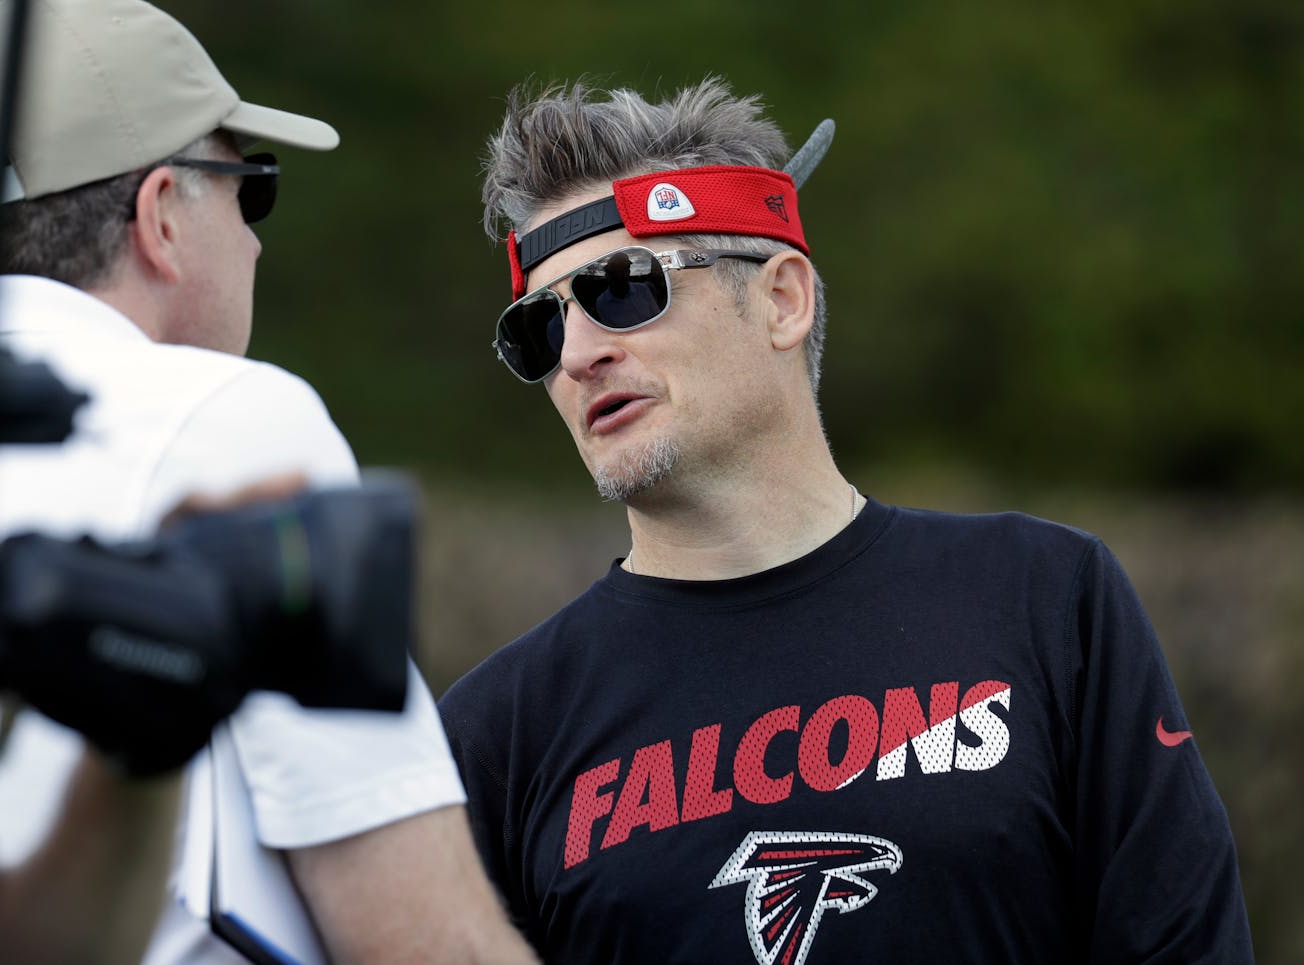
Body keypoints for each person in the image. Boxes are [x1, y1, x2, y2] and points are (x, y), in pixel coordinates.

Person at [438, 78, 1253, 964]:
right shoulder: (495, 734)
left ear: (783, 300)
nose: (582, 355)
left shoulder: (1045, 599)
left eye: (623, 287)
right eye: (539, 331)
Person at [0, 1, 535, 962]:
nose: (259, 240)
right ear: (158, 216)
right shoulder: (229, 416)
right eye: (250, 188)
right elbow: (426, 942)